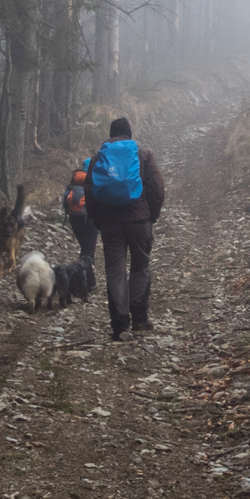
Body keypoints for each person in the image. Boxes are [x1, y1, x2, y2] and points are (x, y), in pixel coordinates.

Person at [83, 115, 165, 341]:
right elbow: (157, 188)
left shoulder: (98, 159)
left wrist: (98, 220)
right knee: (140, 266)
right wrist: (151, 216)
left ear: (110, 135)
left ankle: (120, 325)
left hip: (110, 225)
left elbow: (89, 195)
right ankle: (139, 318)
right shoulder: (143, 155)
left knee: (115, 270)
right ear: (129, 134)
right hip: (140, 222)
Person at [60, 163, 99, 292]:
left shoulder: (75, 181)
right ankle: (85, 283)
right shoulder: (95, 179)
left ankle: (84, 281)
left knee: (85, 249)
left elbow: (65, 200)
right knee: (89, 251)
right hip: (90, 219)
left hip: (74, 218)